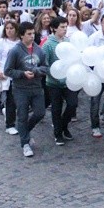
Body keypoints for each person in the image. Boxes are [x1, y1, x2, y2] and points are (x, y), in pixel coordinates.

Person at [4, 21, 49, 158]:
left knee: (40, 113)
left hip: (36, 87)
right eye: (29, 34)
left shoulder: (39, 50)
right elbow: (8, 70)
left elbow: (46, 68)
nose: (32, 36)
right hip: (20, 89)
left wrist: (36, 71)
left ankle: (25, 132)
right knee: (22, 115)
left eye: (33, 33)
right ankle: (25, 143)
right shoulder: (15, 51)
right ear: (22, 35)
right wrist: (22, 74)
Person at [43, 16, 78, 146]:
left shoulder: (68, 41)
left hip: (68, 81)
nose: (64, 29)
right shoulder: (48, 44)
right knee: (56, 108)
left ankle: (64, 126)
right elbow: (44, 64)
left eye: (65, 27)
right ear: (54, 28)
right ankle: (58, 134)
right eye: (62, 27)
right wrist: (52, 74)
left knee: (72, 104)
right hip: (53, 83)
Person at [0, 20, 19, 134]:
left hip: (18, 74)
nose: (9, 30)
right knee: (11, 100)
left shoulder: (20, 42)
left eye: (12, 28)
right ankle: (10, 124)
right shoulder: (1, 42)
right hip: (6, 74)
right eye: (7, 28)